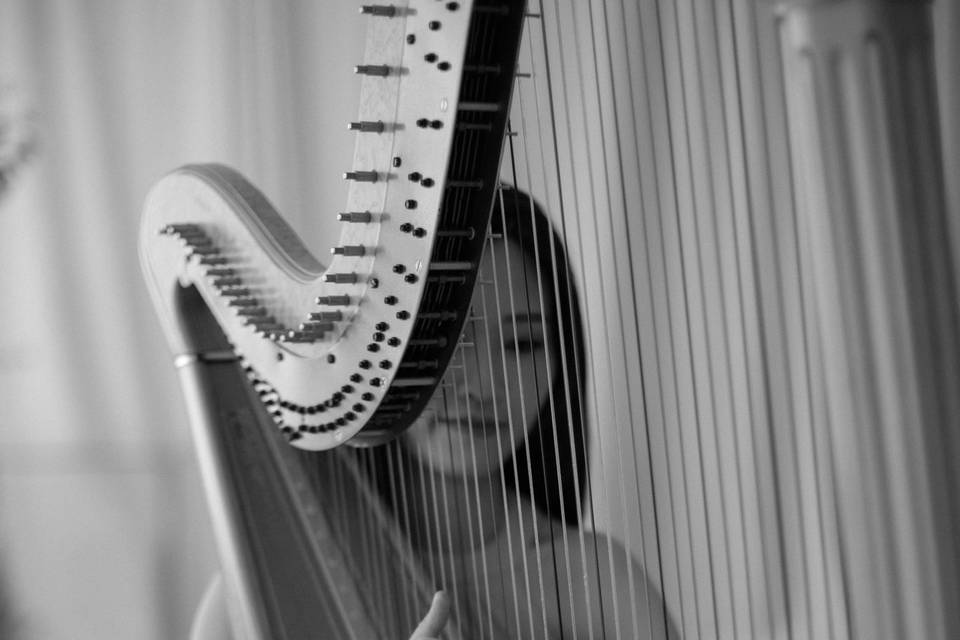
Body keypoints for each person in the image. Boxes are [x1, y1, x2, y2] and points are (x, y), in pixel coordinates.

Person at [374, 188, 678, 639]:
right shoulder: (281, 553)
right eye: (451, 338)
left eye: (523, 344)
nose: (482, 387)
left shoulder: (599, 585)